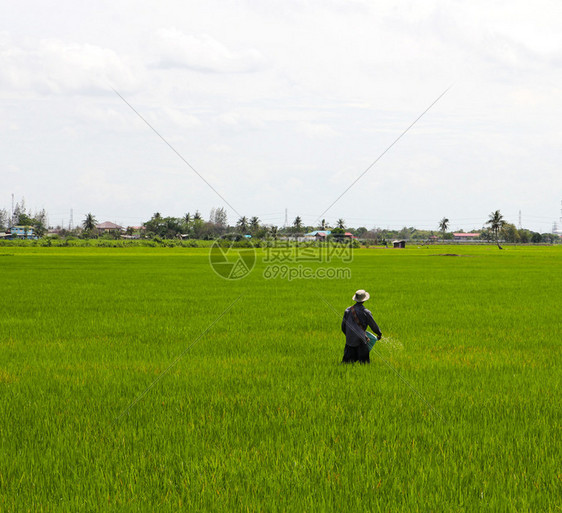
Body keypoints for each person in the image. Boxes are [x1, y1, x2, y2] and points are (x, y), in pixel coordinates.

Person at [341, 289, 382, 364]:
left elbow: (343, 327)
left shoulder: (347, 310)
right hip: (361, 341)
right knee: (364, 364)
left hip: (349, 342)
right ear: (364, 300)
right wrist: (379, 334)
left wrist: (350, 336)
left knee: (346, 364)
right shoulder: (366, 312)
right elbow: (373, 325)